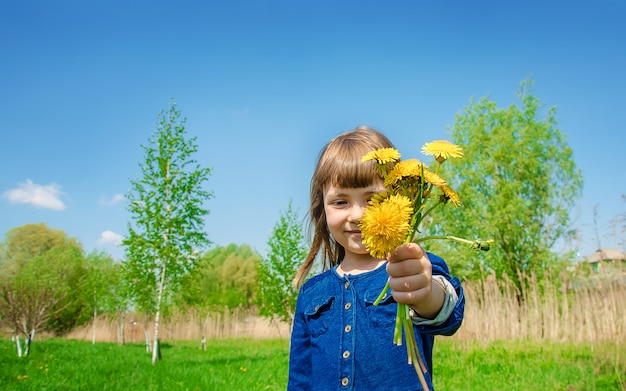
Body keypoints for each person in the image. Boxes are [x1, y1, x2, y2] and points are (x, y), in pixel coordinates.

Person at [288, 126, 465, 391]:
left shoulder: (411, 265)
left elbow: (447, 310)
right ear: (322, 208)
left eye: (373, 199)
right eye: (340, 202)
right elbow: (300, 379)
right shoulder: (311, 293)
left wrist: (426, 294)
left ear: (399, 197)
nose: (357, 215)